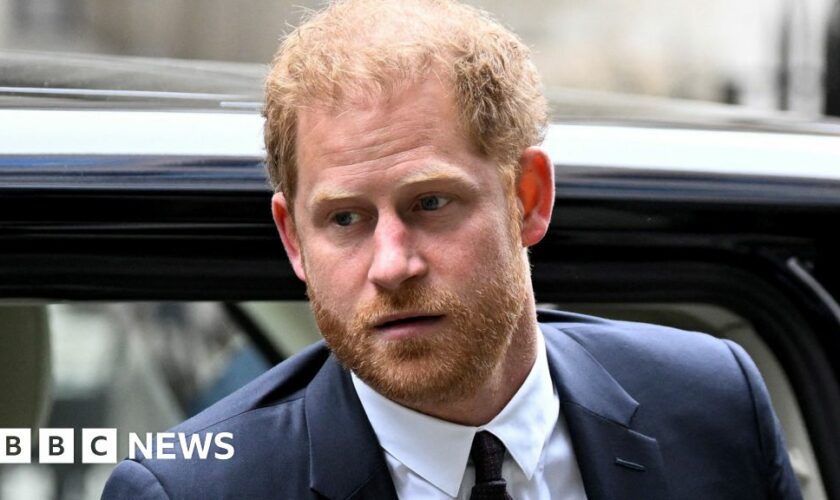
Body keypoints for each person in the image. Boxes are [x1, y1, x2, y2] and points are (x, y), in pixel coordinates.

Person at [102, 0, 802, 498]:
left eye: (430, 203)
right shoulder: (196, 487)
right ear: (292, 238)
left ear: (527, 197)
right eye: (345, 219)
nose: (392, 264)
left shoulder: (710, 404)